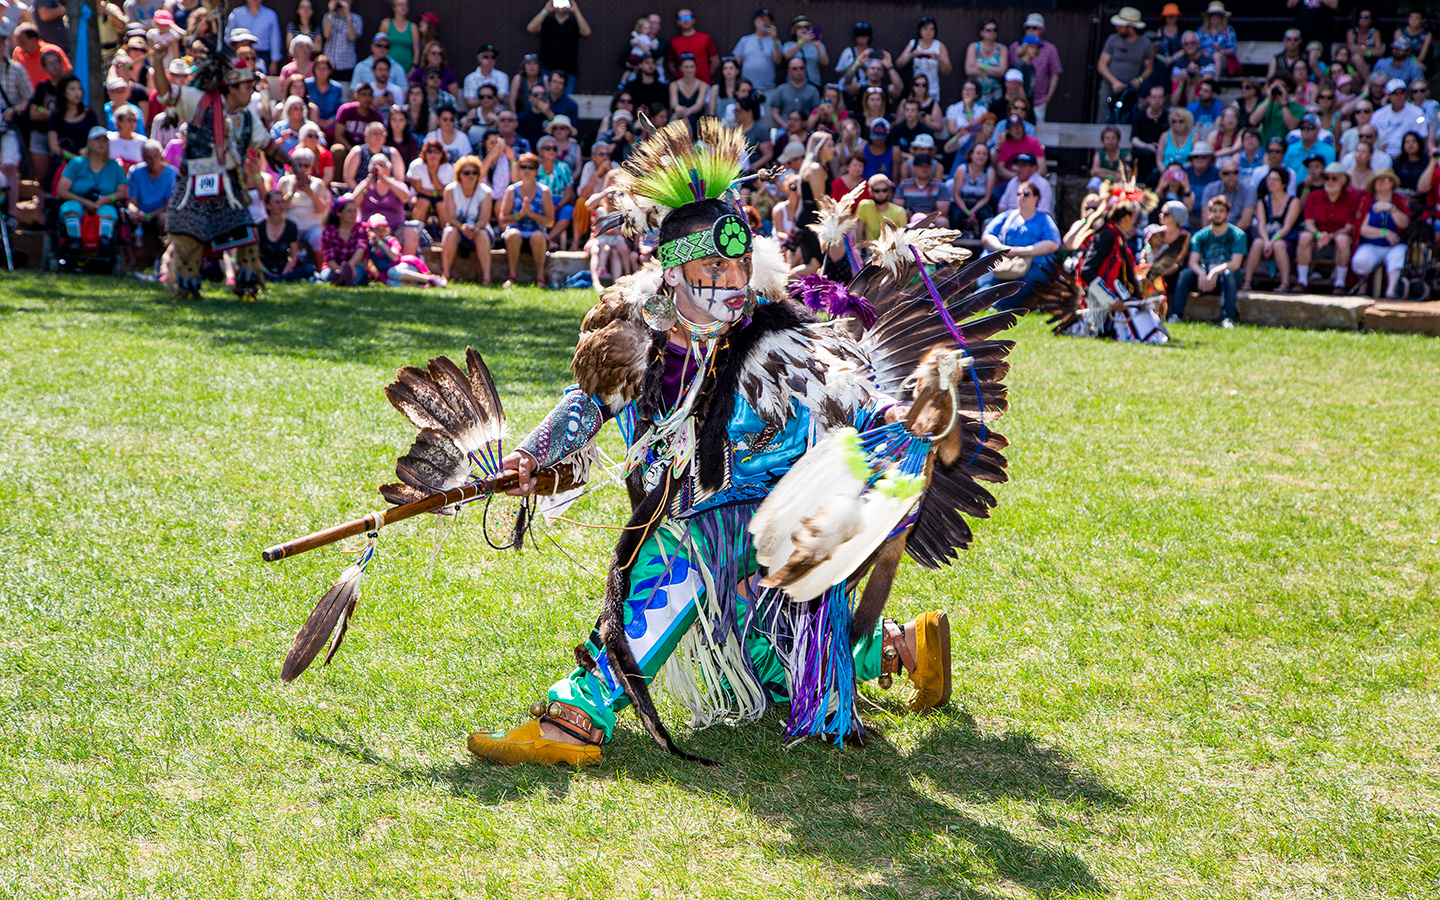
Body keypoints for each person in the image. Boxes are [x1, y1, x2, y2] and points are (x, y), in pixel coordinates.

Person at [468, 118, 988, 768]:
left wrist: (912, 415)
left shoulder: (779, 346)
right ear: (675, 274)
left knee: (677, 569)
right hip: (722, 528)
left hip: (768, 522)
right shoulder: (640, 331)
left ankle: (576, 716)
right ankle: (902, 647)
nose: (731, 278)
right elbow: (593, 400)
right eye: (714, 264)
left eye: (738, 263)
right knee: (767, 660)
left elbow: (846, 392)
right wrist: (533, 454)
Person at [151, 42, 292, 299]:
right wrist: (158, 62)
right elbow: (166, 92)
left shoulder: (248, 118)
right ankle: (187, 289)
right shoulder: (198, 101)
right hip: (193, 185)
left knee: (246, 238)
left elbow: (269, 146)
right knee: (188, 238)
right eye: (248, 87)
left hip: (228, 187)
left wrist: (294, 166)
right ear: (232, 87)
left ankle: (248, 287)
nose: (252, 92)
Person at [976, 180, 1060, 310]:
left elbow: (1053, 243)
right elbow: (987, 236)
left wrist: (1023, 251)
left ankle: (998, 306)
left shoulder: (1044, 220)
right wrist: (1002, 249)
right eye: (1019, 193)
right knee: (986, 281)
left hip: (1033, 263)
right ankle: (970, 306)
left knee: (1035, 276)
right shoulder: (1005, 216)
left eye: (1026, 193)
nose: (1022, 197)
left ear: (1036, 197)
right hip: (1001, 262)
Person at [1173, 195, 1245, 327]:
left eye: (1221, 211)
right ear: (1208, 214)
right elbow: (1193, 261)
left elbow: (1236, 263)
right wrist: (1201, 273)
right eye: (1214, 211)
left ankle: (1227, 318)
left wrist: (1215, 271)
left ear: (1228, 214)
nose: (1217, 214)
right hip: (1205, 279)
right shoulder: (1200, 235)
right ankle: (1175, 315)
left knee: (1229, 274)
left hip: (1227, 279)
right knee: (1186, 274)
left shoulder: (1238, 235)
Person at [55, 125, 127, 249]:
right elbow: (61, 190)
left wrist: (105, 199)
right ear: (89, 142)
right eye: (97, 139)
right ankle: (74, 240)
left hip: (103, 204)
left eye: (104, 140)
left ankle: (104, 243)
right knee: (71, 209)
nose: (101, 143)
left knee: (108, 213)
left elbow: (122, 191)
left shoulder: (114, 166)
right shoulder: (76, 163)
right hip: (77, 201)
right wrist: (85, 202)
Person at [1296, 162, 1360, 291]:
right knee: (1304, 236)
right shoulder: (1314, 196)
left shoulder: (1352, 198)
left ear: (1343, 180)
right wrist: (1319, 234)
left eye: (1334, 178)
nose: (1330, 181)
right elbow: (1308, 222)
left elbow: (1349, 227)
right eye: (1326, 178)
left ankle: (1339, 284)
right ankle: (1301, 281)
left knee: (1342, 239)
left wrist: (1331, 236)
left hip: (1338, 238)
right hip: (1317, 238)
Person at [1351, 168, 1411, 298]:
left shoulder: (1399, 200)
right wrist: (1383, 232)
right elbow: (1363, 229)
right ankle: (1363, 289)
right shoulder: (1367, 200)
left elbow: (1405, 224)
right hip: (1371, 244)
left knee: (1399, 255)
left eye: (1386, 178)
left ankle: (1391, 292)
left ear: (1392, 182)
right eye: (1378, 179)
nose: (1382, 182)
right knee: (1360, 260)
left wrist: (1391, 209)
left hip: (1394, 246)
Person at [498, 151, 552, 286]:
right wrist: (519, 215)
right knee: (513, 235)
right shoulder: (512, 190)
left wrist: (531, 214)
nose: (526, 170)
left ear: (536, 170)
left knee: (538, 236)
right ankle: (512, 276)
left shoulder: (544, 191)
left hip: (536, 231)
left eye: (531, 167)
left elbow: (550, 221)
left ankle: (540, 276)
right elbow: (503, 218)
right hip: (515, 229)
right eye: (523, 167)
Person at [1242, 166, 1300, 292]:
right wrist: (1266, 241)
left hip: (1285, 239)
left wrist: (1272, 241)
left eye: (1275, 180)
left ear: (1284, 183)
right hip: (1266, 236)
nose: (1271, 182)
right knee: (1257, 243)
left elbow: (1287, 226)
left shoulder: (1293, 201)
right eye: (1269, 179)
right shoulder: (1263, 201)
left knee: (1279, 245)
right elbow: (1261, 225)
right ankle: (1247, 281)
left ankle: (1284, 283)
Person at [1096, 8, 1154, 123]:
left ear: (1130, 27)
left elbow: (1149, 67)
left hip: (1130, 86)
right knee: (1104, 107)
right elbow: (1101, 64)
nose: (1117, 27)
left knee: (1128, 113)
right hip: (1110, 84)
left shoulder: (1145, 44)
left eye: (1120, 25)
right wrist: (1114, 81)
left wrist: (1140, 80)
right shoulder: (1112, 40)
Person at [276, 146, 330, 255]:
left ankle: (320, 269)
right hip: (290, 224)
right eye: (299, 165)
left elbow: (323, 211)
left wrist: (311, 194)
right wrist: (291, 192)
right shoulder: (285, 182)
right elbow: (277, 210)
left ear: (311, 167)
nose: (302, 168)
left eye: (306, 165)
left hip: (312, 226)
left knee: (318, 237)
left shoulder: (318, 184)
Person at [1011, 14, 1062, 122]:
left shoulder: (1050, 49)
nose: (1030, 30)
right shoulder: (1020, 64)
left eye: (1034, 28)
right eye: (1028, 28)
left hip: (1038, 102)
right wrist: (1023, 104)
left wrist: (1047, 99)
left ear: (1042, 30)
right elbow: (1017, 85)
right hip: (1021, 105)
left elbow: (1055, 74)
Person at [255, 189, 313, 281]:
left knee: (309, 268)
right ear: (267, 205)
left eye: (282, 202)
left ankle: (281, 278)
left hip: (284, 270)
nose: (281, 205)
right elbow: (255, 255)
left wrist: (284, 273)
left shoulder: (291, 226)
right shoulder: (258, 227)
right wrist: (266, 272)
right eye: (277, 202)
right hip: (264, 270)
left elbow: (293, 255)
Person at [127, 139, 175, 241]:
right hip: (141, 212)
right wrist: (135, 212)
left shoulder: (172, 173)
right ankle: (131, 256)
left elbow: (168, 206)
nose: (153, 161)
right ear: (143, 157)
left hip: (159, 213)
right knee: (127, 218)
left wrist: (148, 216)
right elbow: (131, 201)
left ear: (161, 156)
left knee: (164, 218)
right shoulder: (135, 172)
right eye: (149, 157)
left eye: (156, 156)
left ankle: (162, 250)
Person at [898, 16, 951, 106]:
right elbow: (899, 63)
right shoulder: (913, 44)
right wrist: (911, 56)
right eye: (925, 29)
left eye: (931, 29)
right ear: (920, 30)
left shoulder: (939, 46)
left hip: (932, 90)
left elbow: (947, 70)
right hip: (914, 90)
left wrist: (938, 59)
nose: (928, 32)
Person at [1371, 79, 1426, 158]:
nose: (1399, 96)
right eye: (1395, 93)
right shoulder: (1378, 115)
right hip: (1383, 155)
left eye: (1402, 92)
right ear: (1388, 95)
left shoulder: (1418, 113)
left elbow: (1421, 138)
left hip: (1408, 155)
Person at [354, 152, 409, 231]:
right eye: (375, 168)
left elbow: (405, 197)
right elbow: (354, 202)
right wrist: (366, 185)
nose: (378, 170)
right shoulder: (365, 185)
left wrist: (386, 181)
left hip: (395, 229)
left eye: (381, 166)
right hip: (368, 231)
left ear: (389, 169)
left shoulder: (396, 184)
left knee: (410, 232)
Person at [732, 9, 782, 95]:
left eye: (768, 20)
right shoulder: (744, 40)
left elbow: (778, 61)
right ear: (755, 22)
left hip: (768, 89)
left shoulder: (775, 41)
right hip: (747, 90)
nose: (765, 22)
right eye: (762, 19)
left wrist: (775, 40)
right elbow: (736, 63)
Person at [226, 0, 282, 74]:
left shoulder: (270, 15)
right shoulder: (236, 13)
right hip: (237, 55)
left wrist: (274, 62)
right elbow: (228, 36)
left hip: (262, 55)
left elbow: (275, 39)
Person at [343, 120, 403, 189]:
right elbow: (348, 178)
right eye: (375, 133)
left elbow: (399, 180)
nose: (379, 136)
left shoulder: (392, 152)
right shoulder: (357, 151)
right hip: (361, 194)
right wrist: (361, 194)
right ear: (367, 136)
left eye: (381, 133)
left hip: (387, 196)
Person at [1201, 159, 1256, 232]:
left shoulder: (1248, 190)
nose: (1231, 176)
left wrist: (1228, 236)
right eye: (1227, 173)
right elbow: (1206, 220)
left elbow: (1245, 222)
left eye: (1235, 172)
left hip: (1239, 234)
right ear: (1220, 174)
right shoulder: (1210, 189)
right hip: (1214, 233)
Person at [952, 142, 995, 235]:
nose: (981, 156)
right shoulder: (962, 169)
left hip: (979, 204)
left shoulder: (990, 172)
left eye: (984, 154)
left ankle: (981, 244)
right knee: (956, 215)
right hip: (962, 203)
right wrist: (967, 211)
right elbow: (956, 195)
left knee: (985, 215)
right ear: (971, 155)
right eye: (978, 153)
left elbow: (987, 197)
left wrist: (974, 210)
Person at [1250, 76, 1305, 146]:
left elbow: (1292, 127)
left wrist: (1284, 103)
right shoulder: (1265, 104)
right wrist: (1268, 98)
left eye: (1281, 87)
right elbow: (1253, 121)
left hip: (1287, 147)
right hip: (1266, 147)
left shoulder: (1298, 107)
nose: (1277, 89)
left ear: (1288, 88)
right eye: (1274, 86)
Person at [965, 18, 1008, 106]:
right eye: (988, 30)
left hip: (995, 93)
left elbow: (1002, 72)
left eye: (994, 30)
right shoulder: (973, 47)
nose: (991, 32)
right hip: (977, 93)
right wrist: (993, 71)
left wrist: (982, 66)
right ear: (982, 32)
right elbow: (969, 70)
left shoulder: (1002, 49)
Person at [769, 57, 820, 130]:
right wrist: (785, 125)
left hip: (806, 130)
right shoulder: (781, 89)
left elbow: (816, 113)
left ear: (805, 70)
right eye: (795, 68)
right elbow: (775, 113)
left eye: (801, 68)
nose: (798, 71)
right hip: (784, 129)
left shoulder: (813, 91)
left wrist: (805, 126)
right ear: (789, 71)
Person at [853, 172, 905, 239]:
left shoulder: (900, 211)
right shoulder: (864, 205)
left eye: (884, 190)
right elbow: (858, 235)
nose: (881, 193)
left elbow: (902, 239)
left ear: (889, 191)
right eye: (877, 190)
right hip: (869, 249)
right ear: (870, 191)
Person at [320, 0, 363, 80]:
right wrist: (331, 11)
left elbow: (352, 37)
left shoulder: (356, 18)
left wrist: (347, 15)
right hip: (330, 64)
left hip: (347, 64)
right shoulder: (328, 16)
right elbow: (326, 34)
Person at [464, 43, 509, 114]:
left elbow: (502, 99)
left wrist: (483, 99)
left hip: (498, 113)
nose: (490, 59)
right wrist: (489, 99)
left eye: (493, 57)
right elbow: (470, 103)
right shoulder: (470, 78)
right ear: (479, 58)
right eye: (486, 57)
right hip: (476, 114)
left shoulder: (502, 76)